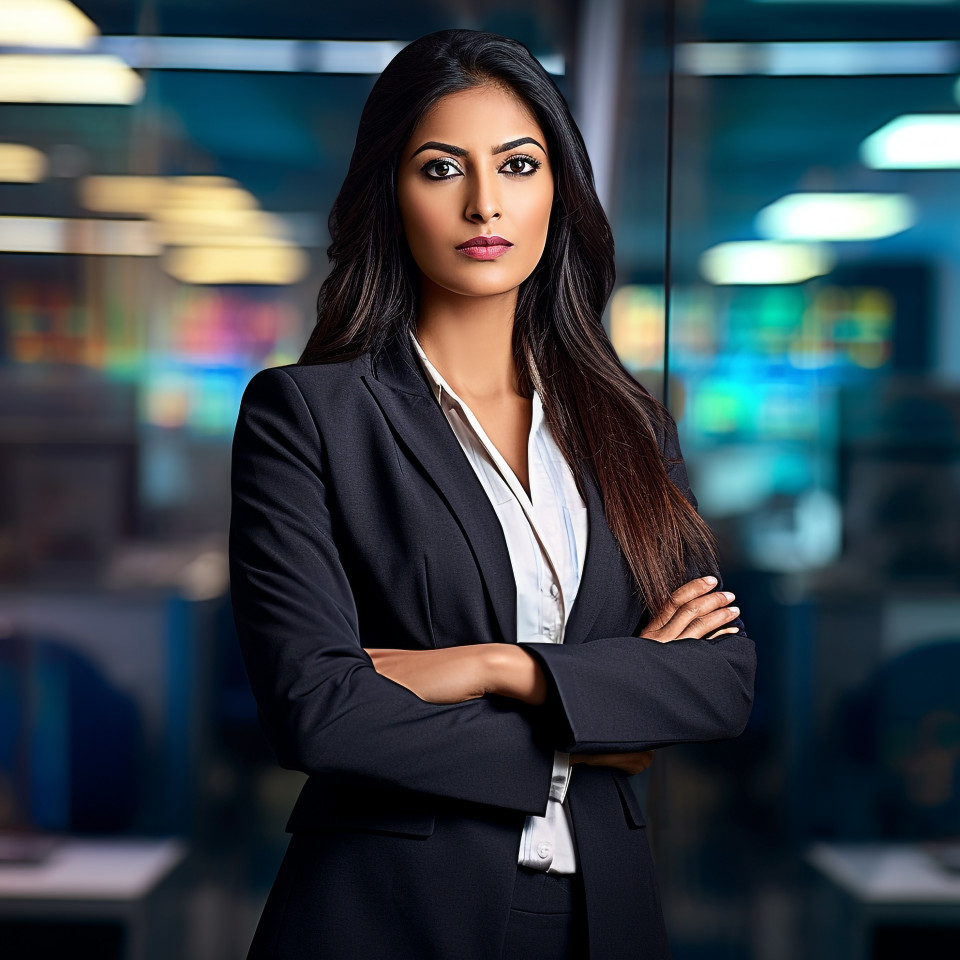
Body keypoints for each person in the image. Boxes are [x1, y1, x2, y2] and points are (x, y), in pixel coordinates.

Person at [229, 28, 755, 960]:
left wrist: (496, 668)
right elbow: (320, 709)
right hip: (384, 915)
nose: (484, 204)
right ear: (390, 194)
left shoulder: (630, 427)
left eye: (518, 164)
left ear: (557, 188)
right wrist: (595, 723)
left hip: (605, 916)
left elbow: (716, 681)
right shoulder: (309, 415)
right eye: (441, 169)